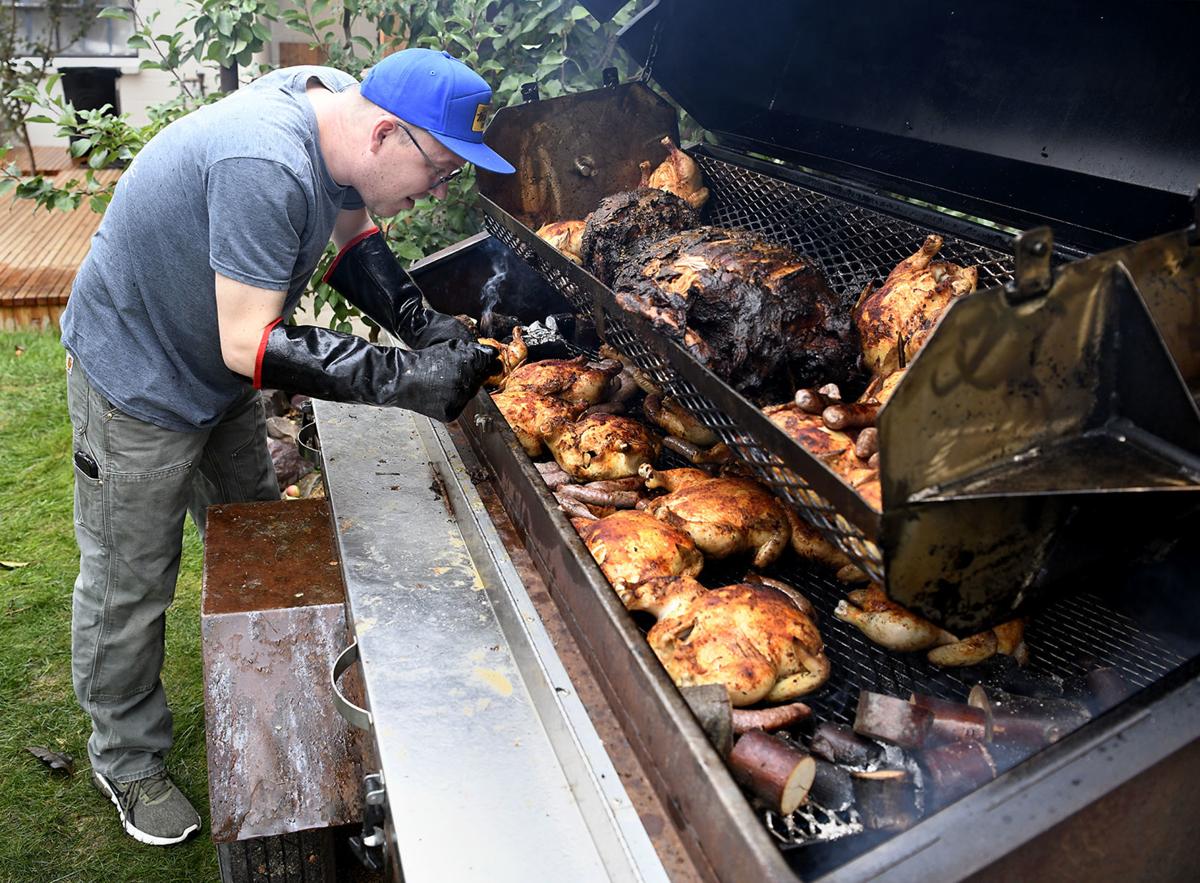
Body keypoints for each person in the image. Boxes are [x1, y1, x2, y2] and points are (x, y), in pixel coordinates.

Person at [58, 47, 514, 846]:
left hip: (213, 370)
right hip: (136, 375)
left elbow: (352, 239)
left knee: (258, 535)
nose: (437, 192)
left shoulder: (337, 106)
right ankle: (125, 754)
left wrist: (423, 325)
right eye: (438, 172)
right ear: (385, 136)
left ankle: (275, 687)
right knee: (130, 580)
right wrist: (404, 377)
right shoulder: (265, 161)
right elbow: (250, 345)